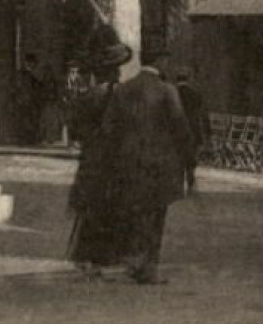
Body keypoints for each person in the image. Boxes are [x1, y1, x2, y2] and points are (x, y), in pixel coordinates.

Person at [89, 49, 197, 284]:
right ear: (161, 61)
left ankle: (133, 262)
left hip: (127, 164)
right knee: (156, 216)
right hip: (159, 166)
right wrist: (190, 165)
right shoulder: (167, 91)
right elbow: (181, 130)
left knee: (133, 213)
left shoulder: (124, 89)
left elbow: (108, 128)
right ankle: (148, 268)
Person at [68, 40, 131, 278]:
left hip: (92, 159)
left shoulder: (88, 97)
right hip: (113, 159)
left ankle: (87, 258)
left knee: (91, 209)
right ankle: (107, 256)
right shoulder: (119, 96)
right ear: (113, 71)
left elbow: (75, 130)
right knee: (111, 206)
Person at [175, 72, 210, 190]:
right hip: (192, 129)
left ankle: (178, 181)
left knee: (177, 155)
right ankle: (191, 178)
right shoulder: (195, 94)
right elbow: (202, 113)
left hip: (176, 129)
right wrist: (207, 131)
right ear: (189, 79)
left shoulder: (172, 93)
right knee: (191, 154)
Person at [10, 53, 48, 146]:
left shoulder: (31, 75)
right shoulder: (21, 75)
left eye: (33, 64)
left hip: (30, 103)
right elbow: (16, 88)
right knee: (24, 121)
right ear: (27, 63)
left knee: (31, 121)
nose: (32, 65)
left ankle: (30, 140)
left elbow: (38, 87)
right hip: (23, 102)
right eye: (30, 63)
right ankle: (24, 140)